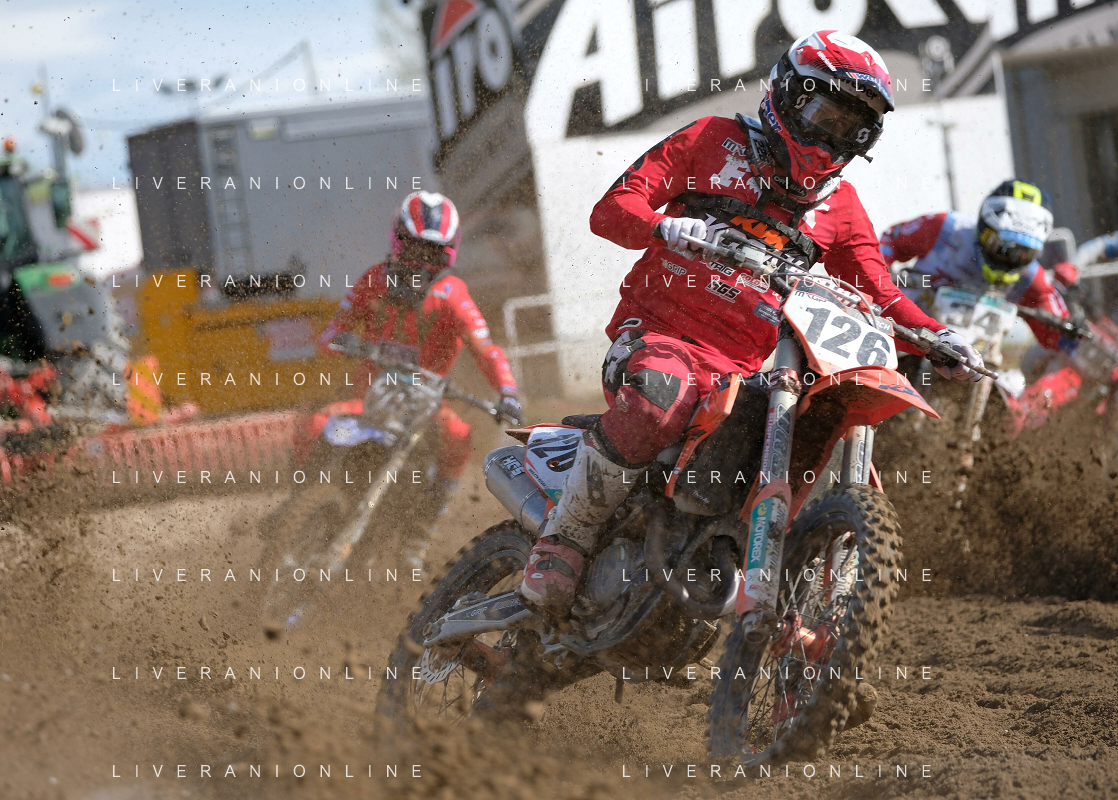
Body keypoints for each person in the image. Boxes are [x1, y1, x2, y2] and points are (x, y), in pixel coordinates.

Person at [518, 30, 984, 610]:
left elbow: (879, 290)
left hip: (741, 370)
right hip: (656, 337)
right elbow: (612, 210)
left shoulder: (839, 207)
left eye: (852, 128)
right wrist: (664, 227)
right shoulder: (711, 140)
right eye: (824, 114)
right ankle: (564, 537)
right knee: (662, 395)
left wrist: (938, 336)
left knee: (799, 429)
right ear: (788, 94)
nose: (833, 136)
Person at [306, 191, 522, 567]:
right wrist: (350, 342)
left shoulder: (453, 295)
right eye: (415, 250)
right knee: (312, 425)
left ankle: (418, 536)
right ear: (397, 242)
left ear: (449, 254)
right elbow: (329, 335)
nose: (422, 263)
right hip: (366, 398)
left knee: (458, 435)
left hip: (425, 403)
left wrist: (508, 391)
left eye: (432, 253)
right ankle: (296, 505)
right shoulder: (373, 280)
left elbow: (486, 349)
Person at [880, 181, 1089, 427]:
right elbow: (888, 241)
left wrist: (1073, 323)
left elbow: (1058, 330)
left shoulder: (1031, 276)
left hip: (978, 359)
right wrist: (882, 277)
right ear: (983, 228)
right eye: (1003, 246)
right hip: (904, 331)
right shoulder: (947, 228)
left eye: (1024, 252)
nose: (1009, 258)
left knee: (1007, 419)